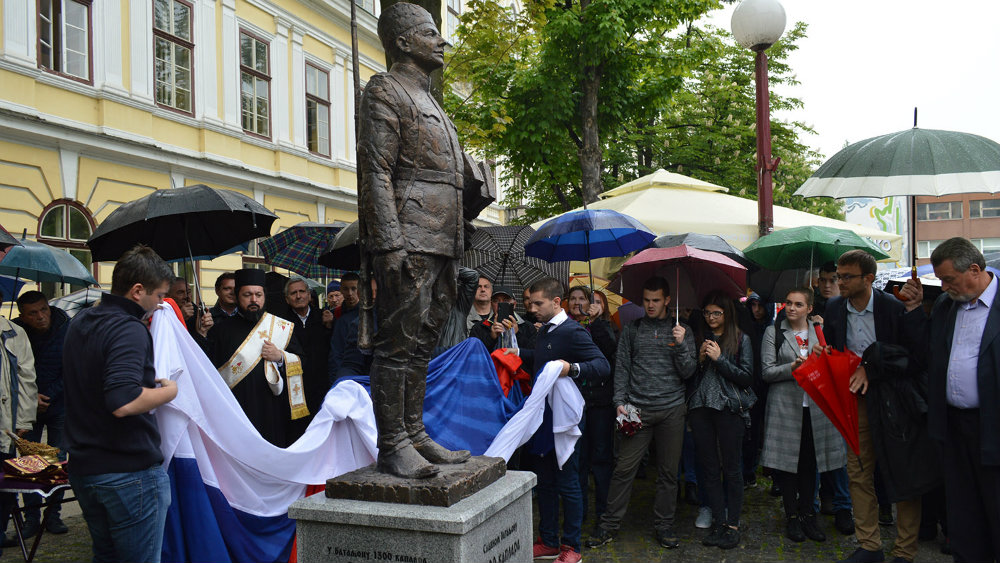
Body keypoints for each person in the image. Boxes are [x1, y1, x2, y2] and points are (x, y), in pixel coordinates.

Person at [357, 1, 480, 478]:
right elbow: (376, 171)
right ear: (405, 41)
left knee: (424, 342)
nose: (441, 41)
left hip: (444, 237)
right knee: (398, 342)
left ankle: (414, 431)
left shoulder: (431, 102)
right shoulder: (385, 90)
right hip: (409, 236)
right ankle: (393, 443)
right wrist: (387, 242)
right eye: (431, 33)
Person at [63, 244, 175, 563]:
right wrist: (169, 392)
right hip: (128, 473)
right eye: (159, 296)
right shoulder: (129, 329)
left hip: (87, 469)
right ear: (137, 291)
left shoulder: (80, 322)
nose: (161, 304)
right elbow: (123, 401)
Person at [899, 237, 1000, 562]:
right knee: (963, 511)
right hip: (954, 428)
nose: (942, 287)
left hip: (993, 427)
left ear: (974, 269)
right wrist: (914, 310)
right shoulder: (946, 306)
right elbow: (928, 354)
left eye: (948, 280)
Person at [819, 249, 919, 563]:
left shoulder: (893, 308)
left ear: (869, 279)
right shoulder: (834, 308)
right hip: (854, 401)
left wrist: (871, 368)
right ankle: (870, 545)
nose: (840, 282)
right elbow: (835, 351)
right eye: (838, 276)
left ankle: (904, 550)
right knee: (858, 473)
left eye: (847, 277)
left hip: (893, 401)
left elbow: (910, 359)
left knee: (902, 473)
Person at [587, 276, 696, 550]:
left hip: (671, 409)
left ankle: (664, 525)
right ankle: (609, 525)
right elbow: (622, 366)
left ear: (668, 300)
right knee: (623, 470)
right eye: (646, 300)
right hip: (636, 409)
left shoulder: (682, 331)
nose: (650, 305)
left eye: (656, 300)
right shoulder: (632, 330)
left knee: (669, 474)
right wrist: (619, 401)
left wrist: (681, 344)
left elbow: (689, 372)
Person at [507, 277, 610, 563]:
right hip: (542, 419)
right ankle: (549, 541)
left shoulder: (573, 331)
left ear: (556, 302)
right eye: (530, 303)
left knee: (569, 484)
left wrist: (572, 368)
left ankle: (572, 548)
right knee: (547, 483)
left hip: (565, 421)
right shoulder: (544, 331)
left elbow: (602, 366)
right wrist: (518, 354)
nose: (532, 309)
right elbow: (543, 359)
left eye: (538, 303)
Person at [761, 287, 846, 543]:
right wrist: (793, 367)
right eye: (788, 303)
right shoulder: (773, 331)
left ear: (810, 308)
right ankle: (792, 517)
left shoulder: (819, 331)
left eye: (798, 304)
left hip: (815, 407)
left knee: (810, 463)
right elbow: (766, 372)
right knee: (789, 466)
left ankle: (809, 514)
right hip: (786, 406)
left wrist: (824, 358)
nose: (791, 308)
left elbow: (834, 369)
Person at [208, 268, 305, 447]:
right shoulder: (220, 331)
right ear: (238, 296)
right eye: (247, 295)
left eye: (258, 294)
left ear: (264, 296)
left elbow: (303, 362)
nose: (254, 300)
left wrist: (281, 357)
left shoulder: (280, 327)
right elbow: (210, 373)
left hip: (272, 409)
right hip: (238, 409)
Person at [687, 290, 753, 550]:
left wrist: (719, 359)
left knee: (732, 467)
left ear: (727, 313)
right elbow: (690, 376)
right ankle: (718, 521)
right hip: (701, 407)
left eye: (717, 312)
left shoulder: (740, 339)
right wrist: (701, 360)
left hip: (729, 408)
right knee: (709, 467)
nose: (711, 317)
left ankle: (733, 525)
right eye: (707, 313)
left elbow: (747, 377)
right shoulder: (700, 339)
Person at [13, 291, 70, 536]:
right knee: (30, 463)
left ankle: (53, 516)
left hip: (59, 405)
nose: (40, 317)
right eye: (33, 313)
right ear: (23, 317)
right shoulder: (14, 333)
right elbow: (13, 372)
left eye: (43, 310)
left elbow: (72, 368)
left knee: (56, 462)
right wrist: (30, 398)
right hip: (28, 407)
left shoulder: (66, 327)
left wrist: (48, 396)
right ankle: (31, 519)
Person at [565, 285, 617, 528]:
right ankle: (580, 511)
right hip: (574, 403)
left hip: (600, 403)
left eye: (582, 299)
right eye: (573, 299)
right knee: (578, 461)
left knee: (601, 458)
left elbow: (610, 354)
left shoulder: (603, 327)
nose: (578, 303)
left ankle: (603, 513)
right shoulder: (565, 328)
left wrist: (596, 322)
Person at [279, 277, 331, 440]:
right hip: (295, 388)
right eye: (293, 293)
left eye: (302, 291)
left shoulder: (324, 317)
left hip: (322, 384)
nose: (298, 296)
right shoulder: (281, 323)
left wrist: (329, 327)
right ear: (287, 299)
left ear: (309, 295)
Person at [468, 285, 536, 351]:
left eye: (506, 300)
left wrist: (517, 334)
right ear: (491, 304)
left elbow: (533, 354)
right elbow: (474, 354)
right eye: (496, 301)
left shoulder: (528, 327)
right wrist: (491, 338)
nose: (501, 304)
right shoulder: (479, 327)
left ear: (514, 304)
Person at [328, 273, 369, 380]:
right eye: (346, 289)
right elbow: (336, 353)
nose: (350, 293)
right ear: (341, 289)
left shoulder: (367, 314)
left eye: (353, 289)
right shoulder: (336, 315)